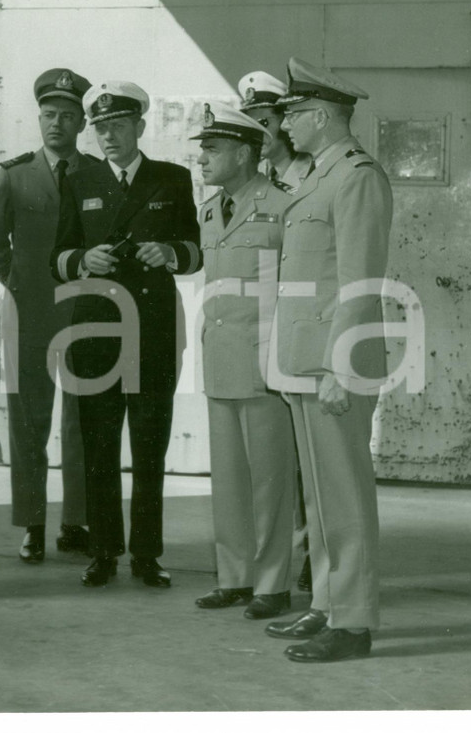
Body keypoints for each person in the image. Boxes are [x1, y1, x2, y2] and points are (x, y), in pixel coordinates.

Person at [266, 57, 393, 662]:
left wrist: (342, 366)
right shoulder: (317, 176)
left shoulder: (357, 177)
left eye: (292, 114)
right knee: (318, 496)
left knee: (343, 494)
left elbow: (361, 279)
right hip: (303, 358)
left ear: (320, 116)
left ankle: (354, 622)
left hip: (332, 364)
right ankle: (327, 603)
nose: (285, 125)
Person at [50, 80, 201, 588]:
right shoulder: (79, 182)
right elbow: (58, 256)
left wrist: (172, 253)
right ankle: (103, 552)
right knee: (98, 444)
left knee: (149, 444)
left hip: (153, 328)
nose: (108, 136)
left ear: (139, 127)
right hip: (95, 329)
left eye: (117, 126)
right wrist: (82, 260)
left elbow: (196, 250)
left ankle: (146, 554)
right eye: (100, 128)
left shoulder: (172, 179)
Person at [191, 102, 298, 619]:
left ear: (243, 152)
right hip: (221, 362)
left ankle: (273, 585)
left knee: (271, 482)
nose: (202, 160)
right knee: (229, 480)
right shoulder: (211, 210)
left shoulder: (284, 206)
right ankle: (235, 577)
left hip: (265, 366)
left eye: (211, 150)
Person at [0, 68, 95, 563]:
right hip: (29, 311)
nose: (57, 124)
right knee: (29, 421)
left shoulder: (96, 175)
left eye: (67, 116)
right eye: (49, 115)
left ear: (80, 123)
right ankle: (32, 522)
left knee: (80, 420)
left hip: (87, 312)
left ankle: (76, 521)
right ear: (39, 117)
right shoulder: (12, 175)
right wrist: (19, 283)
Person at [238, 69, 316, 594]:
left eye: (267, 122)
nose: (261, 135)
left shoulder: (312, 176)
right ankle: (275, 567)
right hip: (260, 332)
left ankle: (315, 558)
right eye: (252, 124)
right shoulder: (254, 187)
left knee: (309, 460)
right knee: (271, 465)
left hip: (302, 331)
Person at [238, 70, 314, 193]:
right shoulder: (252, 173)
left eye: (263, 122)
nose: (256, 133)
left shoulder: (313, 172)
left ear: (285, 120)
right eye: (251, 125)